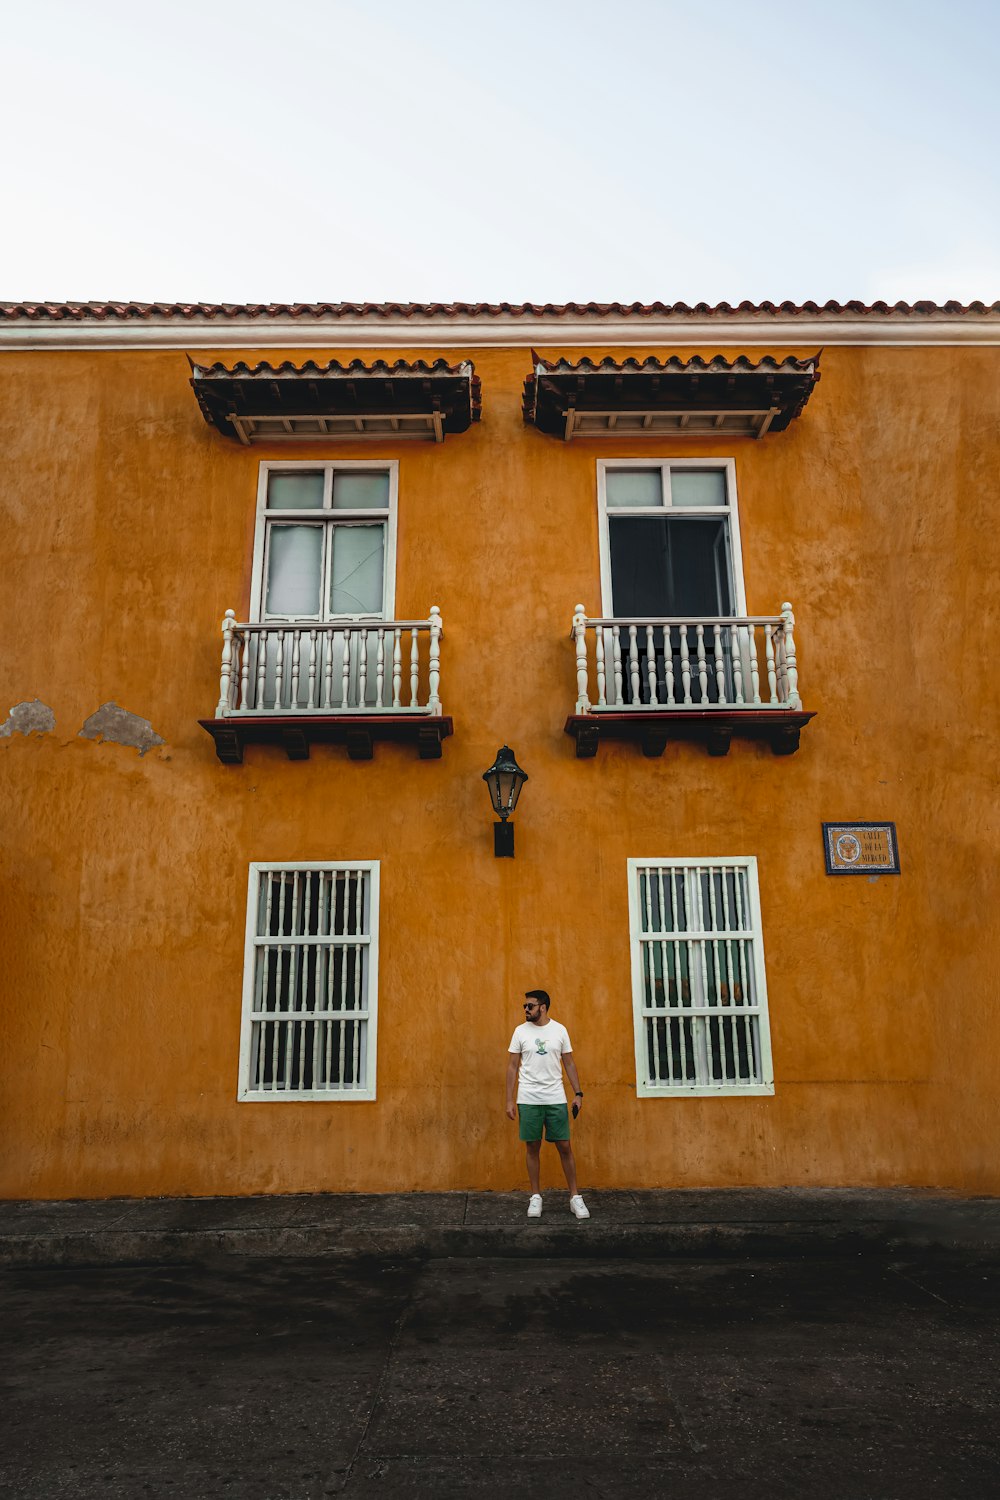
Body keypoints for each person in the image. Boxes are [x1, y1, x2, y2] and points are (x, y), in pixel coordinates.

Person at [506, 989, 589, 1220]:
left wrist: (578, 1093)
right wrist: (509, 1100)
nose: (525, 1010)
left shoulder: (559, 1030)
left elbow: (569, 1064)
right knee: (532, 1147)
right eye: (524, 1006)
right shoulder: (520, 1032)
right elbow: (512, 1066)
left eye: (530, 1006)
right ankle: (535, 1197)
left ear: (542, 1007)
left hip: (555, 1098)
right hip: (529, 1099)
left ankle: (575, 1197)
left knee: (564, 1146)